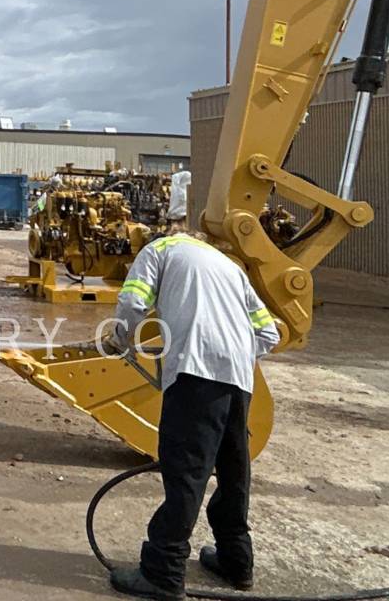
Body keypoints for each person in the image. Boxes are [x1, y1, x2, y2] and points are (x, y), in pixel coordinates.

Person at [105, 232, 281, 599]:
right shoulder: (230, 266)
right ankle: (237, 562)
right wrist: (230, 352)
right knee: (233, 471)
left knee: (186, 471)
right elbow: (269, 334)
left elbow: (134, 301)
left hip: (194, 372)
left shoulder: (159, 249)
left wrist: (119, 340)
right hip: (238, 378)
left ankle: (162, 573)